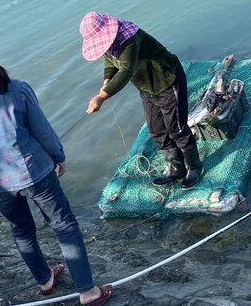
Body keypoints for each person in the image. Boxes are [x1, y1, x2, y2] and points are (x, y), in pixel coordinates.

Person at [0, 32, 112, 306]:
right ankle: (87, 292)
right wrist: (58, 156)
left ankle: (45, 280)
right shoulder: (17, 88)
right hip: (35, 172)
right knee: (65, 227)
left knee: (22, 230)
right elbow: (42, 130)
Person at [81, 13, 202, 189]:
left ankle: (194, 167)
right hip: (147, 87)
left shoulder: (129, 38)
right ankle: (176, 167)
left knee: (177, 128)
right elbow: (109, 63)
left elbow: (126, 71)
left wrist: (102, 96)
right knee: (157, 130)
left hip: (167, 80)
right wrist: (107, 80)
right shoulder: (109, 45)